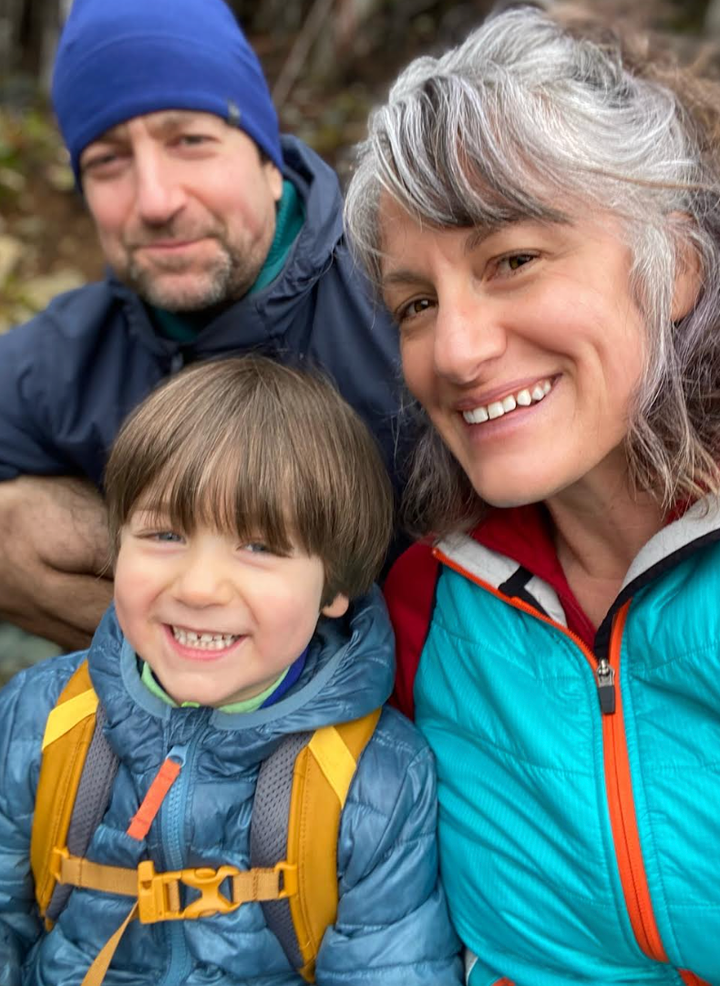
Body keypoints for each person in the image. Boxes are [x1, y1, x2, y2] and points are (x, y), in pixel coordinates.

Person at [344, 6, 720, 985]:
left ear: (673, 265)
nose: (457, 351)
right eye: (415, 303)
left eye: (511, 259)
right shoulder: (425, 608)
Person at [0, 355, 462, 985]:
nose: (199, 587)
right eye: (164, 535)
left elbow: (391, 969)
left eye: (260, 546)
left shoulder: (376, 779)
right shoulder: (42, 717)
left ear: (335, 586)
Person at [0, 0, 402, 652]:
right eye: (108, 161)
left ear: (270, 165)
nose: (156, 200)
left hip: (436, 710)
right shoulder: (77, 350)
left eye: (190, 141)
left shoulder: (401, 301)